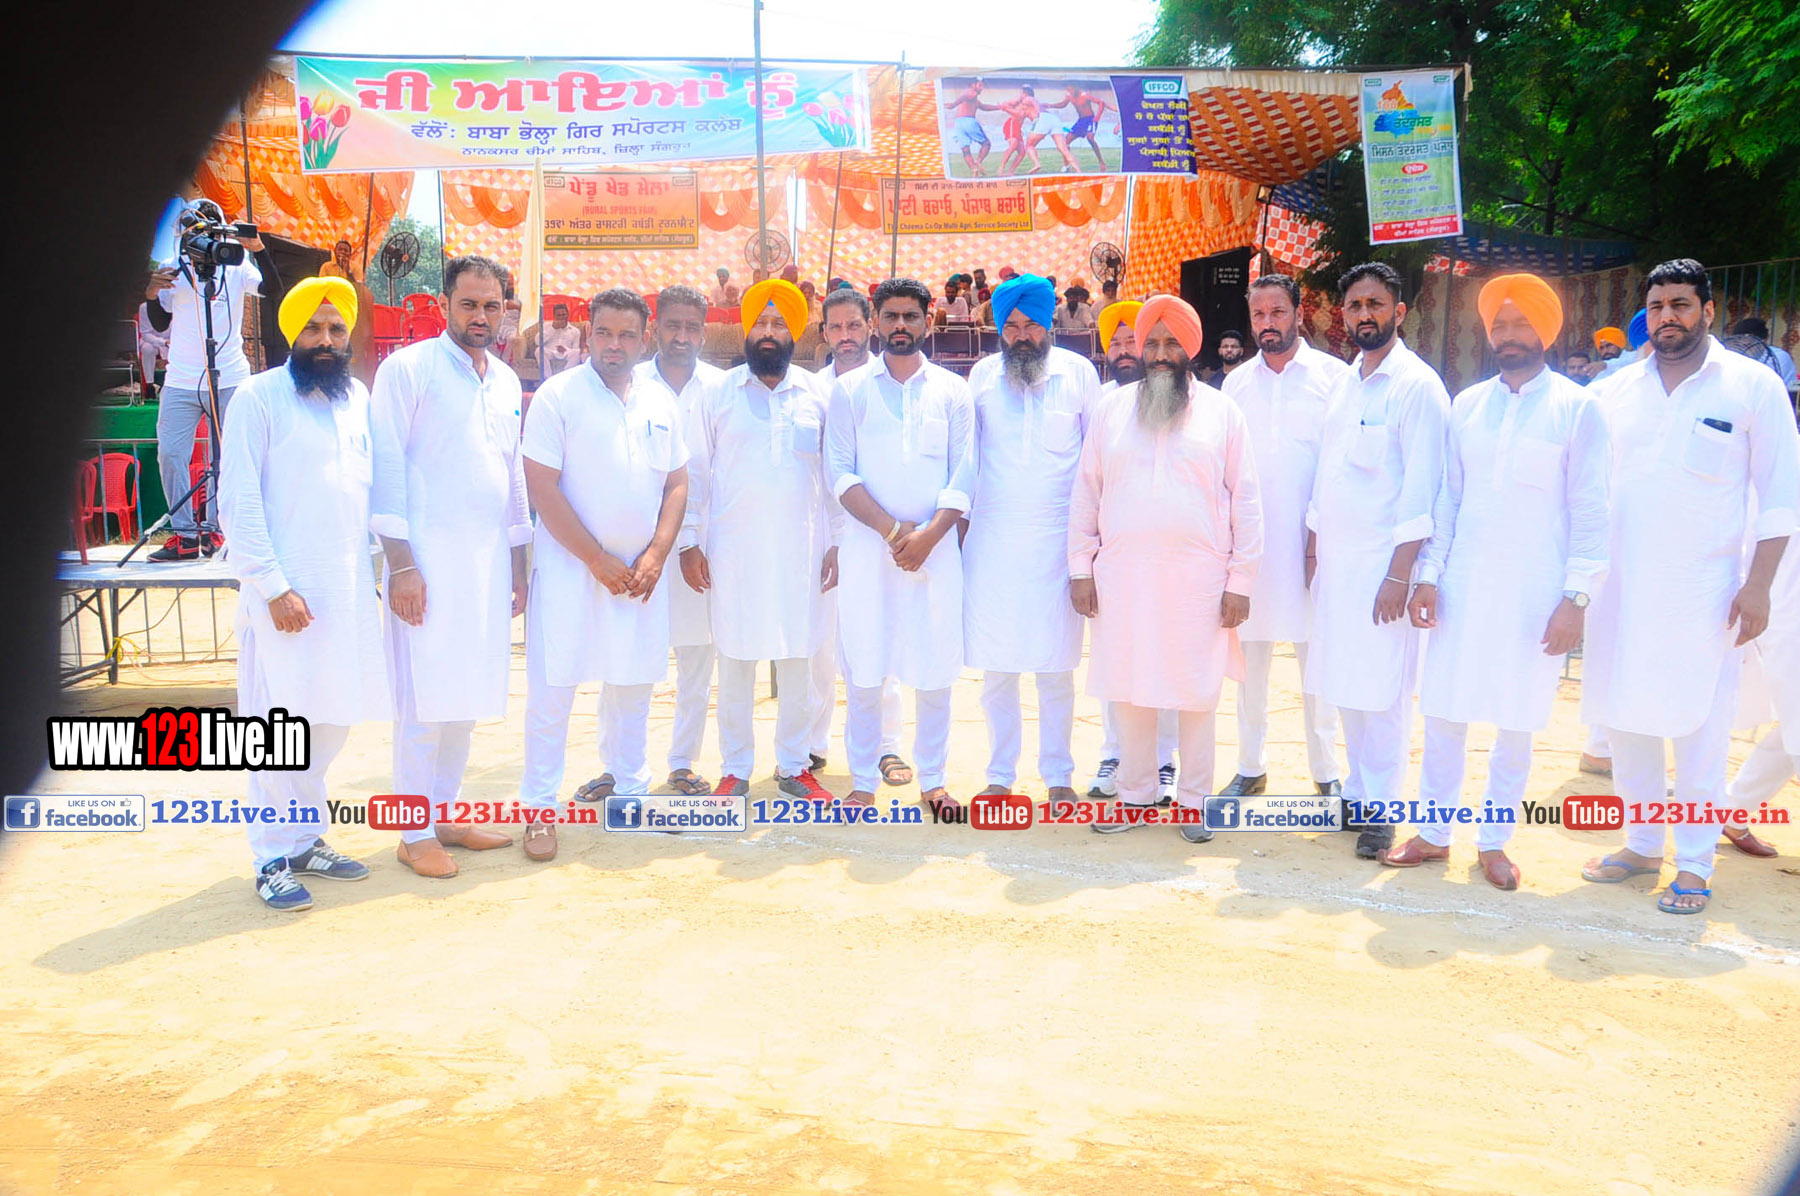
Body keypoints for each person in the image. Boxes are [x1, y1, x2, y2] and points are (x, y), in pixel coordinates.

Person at [1579, 259, 1798, 915]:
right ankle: (1643, 844)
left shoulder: (1752, 386)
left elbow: (1781, 497)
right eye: (1657, 305)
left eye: (1680, 304)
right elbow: (1585, 491)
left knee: (1699, 726)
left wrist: (1758, 587)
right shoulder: (1614, 392)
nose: (1667, 316)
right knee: (1624, 717)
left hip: (1705, 592)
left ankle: (1696, 863)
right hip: (1619, 589)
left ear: (1707, 311)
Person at [1381, 274, 1610, 890]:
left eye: (1521, 323)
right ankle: (1433, 833)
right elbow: (1449, 498)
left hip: (1536, 593)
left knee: (1517, 721)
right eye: (1500, 325)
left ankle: (1494, 841)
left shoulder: (1579, 408)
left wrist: (1576, 598)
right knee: (1445, 712)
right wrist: (1429, 576)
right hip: (1463, 583)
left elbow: (1592, 509)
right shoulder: (1468, 405)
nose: (1509, 335)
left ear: (1546, 331)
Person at [220, 278, 387, 909]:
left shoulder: (357, 399)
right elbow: (239, 500)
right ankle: (269, 856)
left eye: (336, 329)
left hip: (345, 593)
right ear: (291, 333)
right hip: (283, 598)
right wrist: (272, 586)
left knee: (331, 720)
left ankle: (303, 839)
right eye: (313, 328)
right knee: (276, 730)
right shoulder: (257, 397)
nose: (325, 340)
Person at [1071, 295, 1262, 837]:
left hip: (1200, 580)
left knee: (1196, 692)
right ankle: (1135, 796)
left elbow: (1247, 500)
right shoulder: (1111, 410)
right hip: (1123, 576)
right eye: (1150, 342)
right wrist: (1080, 569)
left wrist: (1241, 581)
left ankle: (1195, 803)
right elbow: (1086, 493)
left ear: (1190, 348)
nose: (1159, 354)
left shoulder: (1223, 413)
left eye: (1171, 342)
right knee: (1130, 686)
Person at [518, 288, 689, 862]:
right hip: (572, 572)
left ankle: (632, 795)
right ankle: (539, 810)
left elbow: (677, 483)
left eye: (627, 335)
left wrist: (657, 553)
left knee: (633, 687)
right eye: (605, 333)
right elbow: (541, 487)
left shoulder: (660, 400)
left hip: (640, 576)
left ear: (644, 339)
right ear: (588, 334)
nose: (615, 345)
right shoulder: (557, 396)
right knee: (552, 694)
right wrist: (594, 558)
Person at [370, 255, 526, 878]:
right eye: (469, 304)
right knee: (423, 703)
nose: (480, 316)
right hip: (426, 566)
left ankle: (446, 814)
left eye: (492, 305)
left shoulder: (505, 381)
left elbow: (513, 476)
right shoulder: (407, 370)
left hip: (485, 566)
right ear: (443, 305)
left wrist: (518, 564)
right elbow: (385, 466)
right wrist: (401, 566)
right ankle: (413, 832)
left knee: (464, 697)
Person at [1305, 262, 1450, 859]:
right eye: (1355, 305)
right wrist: (1314, 550)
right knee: (1346, 682)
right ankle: (1359, 794)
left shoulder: (1418, 386)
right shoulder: (1346, 382)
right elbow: (1327, 472)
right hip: (1338, 566)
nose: (1364, 314)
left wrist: (1400, 574)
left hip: (1385, 569)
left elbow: (1423, 490)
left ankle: (1384, 811)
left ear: (1399, 312)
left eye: (1375, 304)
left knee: (1385, 692)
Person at [681, 280, 840, 800]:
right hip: (733, 551)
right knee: (735, 659)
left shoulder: (818, 394)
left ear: (796, 332)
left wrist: (837, 542)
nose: (768, 333)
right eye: (760, 323)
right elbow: (695, 473)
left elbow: (835, 476)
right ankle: (735, 768)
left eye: (779, 323)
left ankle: (794, 765)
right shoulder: (717, 394)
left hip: (802, 551)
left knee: (799, 657)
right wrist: (689, 541)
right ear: (746, 330)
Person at [826, 277, 976, 814]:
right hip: (869, 552)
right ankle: (863, 780)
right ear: (875, 322)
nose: (900, 326)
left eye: (910, 316)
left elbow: (964, 474)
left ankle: (933, 780)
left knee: (935, 668)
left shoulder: (953, 391)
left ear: (927, 322)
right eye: (889, 316)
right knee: (865, 668)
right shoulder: (849, 391)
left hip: (936, 552)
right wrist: (894, 533)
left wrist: (929, 537)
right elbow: (839, 473)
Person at [964, 275, 1102, 802]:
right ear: (1000, 329)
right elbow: (967, 461)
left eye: (1032, 326)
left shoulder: (1079, 373)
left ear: (1049, 325)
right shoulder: (981, 376)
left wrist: (1089, 549)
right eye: (1012, 327)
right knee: (998, 667)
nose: (1022, 336)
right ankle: (1000, 776)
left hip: (1057, 542)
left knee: (1055, 667)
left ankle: (1059, 776)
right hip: (993, 541)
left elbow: (1094, 464)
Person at [1217, 275, 1347, 801]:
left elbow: (1339, 467)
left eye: (1277, 312)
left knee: (1318, 663)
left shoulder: (1335, 378)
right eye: (1258, 315)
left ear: (1298, 313)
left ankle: (1327, 772)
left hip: (1314, 547)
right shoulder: (1236, 385)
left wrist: (1321, 540)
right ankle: (1250, 766)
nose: (1267, 324)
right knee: (1250, 665)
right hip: (1253, 549)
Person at [813, 290, 912, 785]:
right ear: (823, 333)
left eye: (854, 325)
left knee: (879, 641)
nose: (846, 336)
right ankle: (812, 745)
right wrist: (829, 538)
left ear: (869, 326)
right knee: (820, 646)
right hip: (818, 536)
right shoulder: (810, 389)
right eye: (836, 327)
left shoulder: (891, 383)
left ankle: (886, 747)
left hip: (875, 534)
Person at [632, 286, 726, 797]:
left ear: (704, 333)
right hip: (637, 544)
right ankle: (620, 764)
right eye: (673, 325)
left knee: (696, 658)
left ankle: (682, 762)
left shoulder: (721, 387)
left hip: (702, 546)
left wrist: (692, 541)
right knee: (630, 657)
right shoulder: (630, 382)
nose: (682, 336)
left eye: (692, 327)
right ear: (655, 328)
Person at [1086, 298, 1176, 798]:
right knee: (1115, 662)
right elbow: (1088, 485)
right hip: (1114, 559)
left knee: (1167, 657)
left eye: (1130, 341)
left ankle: (1164, 762)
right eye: (1115, 343)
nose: (1123, 350)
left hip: (1172, 560)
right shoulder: (1102, 405)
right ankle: (1113, 755)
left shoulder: (1178, 398)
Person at [146, 201, 265, 561]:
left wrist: (258, 250)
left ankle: (216, 529)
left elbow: (271, 290)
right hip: (180, 379)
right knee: (170, 453)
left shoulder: (235, 264)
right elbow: (160, 321)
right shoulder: (174, 267)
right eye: (192, 235)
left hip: (229, 375)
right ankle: (183, 535)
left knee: (226, 456)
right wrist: (151, 294)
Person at [318, 239, 378, 387]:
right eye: (340, 249)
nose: (343, 253)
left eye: (346, 251)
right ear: (335, 251)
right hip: (331, 307)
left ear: (350, 254)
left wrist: (347, 271)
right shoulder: (326, 267)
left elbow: (359, 287)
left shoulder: (355, 267)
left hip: (350, 308)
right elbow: (321, 285)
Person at [1043, 82, 1113, 172]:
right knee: (1065, 141)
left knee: (1090, 138)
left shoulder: (1085, 95)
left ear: (1076, 88)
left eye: (1071, 89)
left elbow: (1101, 103)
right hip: (1081, 121)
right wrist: (1050, 105)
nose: (1069, 92)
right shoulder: (1069, 95)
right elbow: (1063, 104)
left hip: (1090, 120)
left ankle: (1101, 162)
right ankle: (1066, 166)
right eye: (1068, 90)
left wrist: (1097, 117)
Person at [943, 78, 996, 176]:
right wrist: (953, 105)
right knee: (986, 144)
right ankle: (978, 161)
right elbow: (965, 96)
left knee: (965, 149)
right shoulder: (972, 93)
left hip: (958, 123)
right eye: (980, 85)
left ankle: (973, 169)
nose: (982, 88)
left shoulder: (973, 99)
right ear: (973, 85)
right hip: (968, 121)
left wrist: (999, 107)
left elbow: (984, 107)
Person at [1731, 317, 1798, 394]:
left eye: (1749, 340)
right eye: (1740, 339)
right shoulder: (1731, 357)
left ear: (1764, 339)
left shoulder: (1780, 357)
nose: (1744, 343)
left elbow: (1792, 387)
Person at [997, 85, 1046, 175]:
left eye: (1022, 93)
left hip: (1018, 126)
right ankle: (1001, 167)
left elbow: (1030, 114)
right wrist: (1006, 107)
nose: (1021, 94)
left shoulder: (1028, 102)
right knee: (1013, 145)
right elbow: (1008, 105)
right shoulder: (1019, 100)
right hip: (1012, 123)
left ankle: (1010, 171)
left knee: (1022, 152)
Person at [541, 304, 583, 375]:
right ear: (554, 316)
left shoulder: (575, 331)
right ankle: (548, 377)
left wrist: (566, 349)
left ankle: (565, 375)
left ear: (567, 315)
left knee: (578, 352)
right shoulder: (547, 325)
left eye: (563, 315)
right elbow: (538, 341)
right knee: (538, 350)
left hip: (566, 353)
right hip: (550, 352)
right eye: (558, 315)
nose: (561, 317)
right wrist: (553, 329)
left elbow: (575, 348)